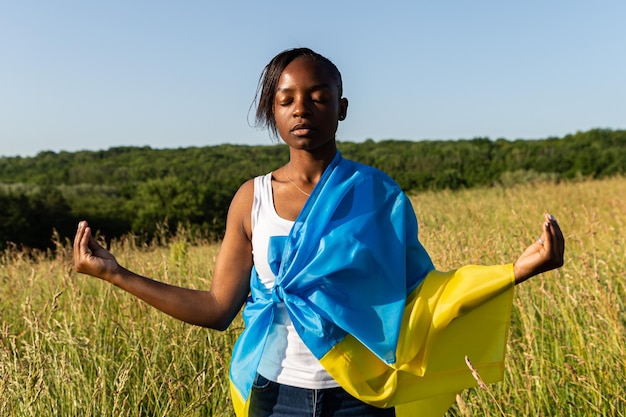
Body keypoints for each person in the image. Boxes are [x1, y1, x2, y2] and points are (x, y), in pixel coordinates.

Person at [74, 47, 565, 417]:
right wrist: (118, 274)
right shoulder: (252, 199)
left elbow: (424, 298)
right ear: (273, 110)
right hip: (273, 394)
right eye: (287, 99)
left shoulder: (378, 195)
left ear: (342, 107)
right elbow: (218, 309)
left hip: (361, 394)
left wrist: (517, 271)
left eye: (318, 97)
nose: (302, 108)